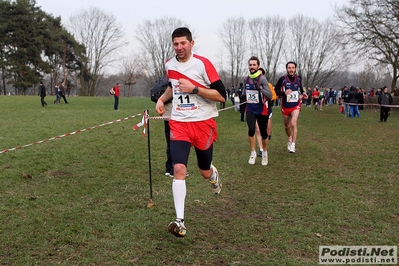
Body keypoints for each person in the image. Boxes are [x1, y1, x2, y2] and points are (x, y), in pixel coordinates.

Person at [155, 27, 226, 237]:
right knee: (178, 168)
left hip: (203, 123)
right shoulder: (169, 64)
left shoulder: (202, 64)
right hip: (179, 123)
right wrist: (162, 98)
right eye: (176, 44)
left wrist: (195, 89)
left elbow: (222, 95)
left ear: (191, 43)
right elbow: (173, 87)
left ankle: (213, 175)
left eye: (183, 43)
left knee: (204, 170)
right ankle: (180, 221)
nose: (179, 48)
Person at [241, 59, 272, 165]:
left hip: (261, 110)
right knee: (251, 129)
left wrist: (260, 89)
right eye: (250, 65)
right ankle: (253, 153)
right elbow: (245, 91)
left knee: (264, 134)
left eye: (254, 65)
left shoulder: (262, 79)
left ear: (258, 66)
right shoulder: (246, 79)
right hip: (250, 109)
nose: (252, 67)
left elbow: (270, 95)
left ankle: (265, 154)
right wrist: (243, 96)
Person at [274, 61, 308, 154]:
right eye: (289, 68)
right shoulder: (282, 79)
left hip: (296, 105)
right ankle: (289, 138)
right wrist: (283, 93)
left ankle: (293, 145)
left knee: (293, 123)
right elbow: (275, 90)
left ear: (295, 69)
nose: (291, 70)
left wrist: (303, 93)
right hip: (286, 105)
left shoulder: (299, 78)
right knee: (287, 126)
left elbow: (300, 89)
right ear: (287, 69)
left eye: (293, 68)